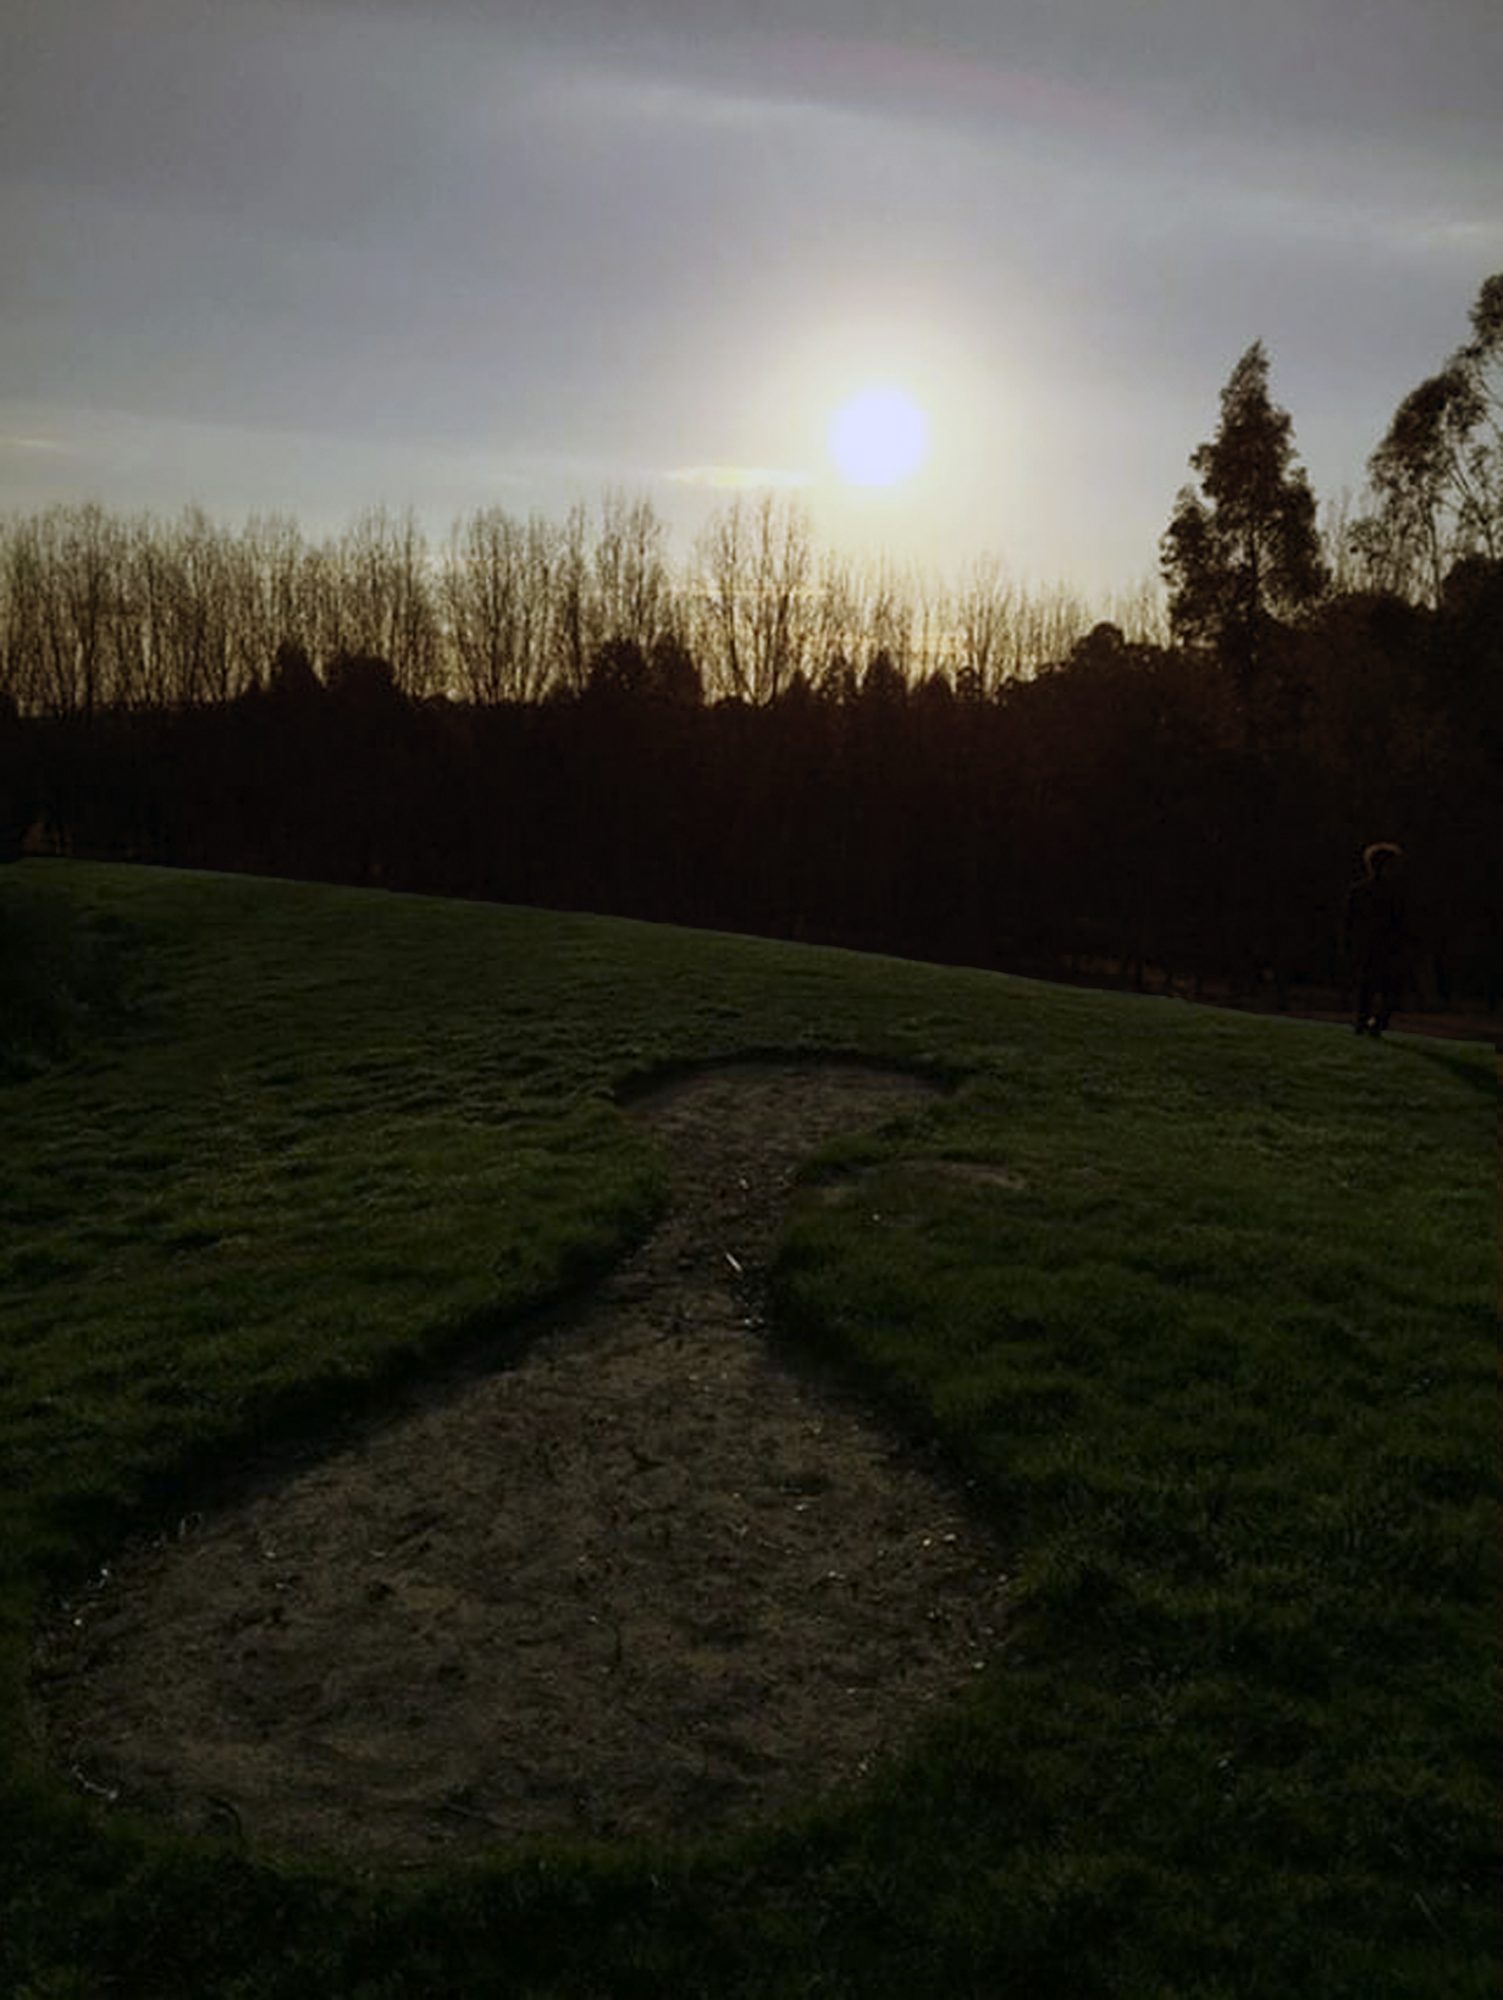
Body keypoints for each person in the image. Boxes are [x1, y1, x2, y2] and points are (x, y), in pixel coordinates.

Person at [1343, 843, 1407, 1036]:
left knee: (1367, 987)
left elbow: (1349, 922)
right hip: (1386, 945)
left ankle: (1363, 1021)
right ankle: (1377, 1022)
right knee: (1387, 988)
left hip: (1368, 945)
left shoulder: (1359, 891)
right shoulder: (1395, 893)